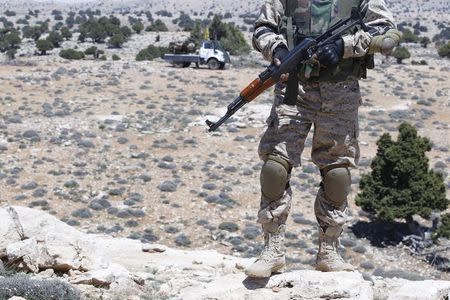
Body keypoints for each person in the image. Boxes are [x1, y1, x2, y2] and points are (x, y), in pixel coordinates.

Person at [245, 0, 401, 277]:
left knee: (337, 172)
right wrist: (279, 49)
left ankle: (329, 249)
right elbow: (262, 30)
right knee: (274, 167)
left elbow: (387, 33)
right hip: (294, 88)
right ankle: (273, 249)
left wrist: (345, 47)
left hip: (341, 91)